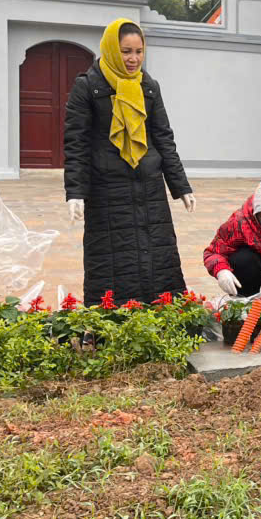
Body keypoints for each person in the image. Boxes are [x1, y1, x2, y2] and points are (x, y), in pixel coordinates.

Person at [63, 18, 195, 306]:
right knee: (112, 259)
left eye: (138, 51)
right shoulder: (87, 87)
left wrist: (181, 186)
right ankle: (112, 323)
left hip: (148, 187)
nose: (133, 59)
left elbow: (163, 138)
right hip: (107, 189)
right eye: (126, 51)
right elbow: (77, 144)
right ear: (111, 48)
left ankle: (161, 317)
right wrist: (75, 193)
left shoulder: (149, 86)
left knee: (156, 255)